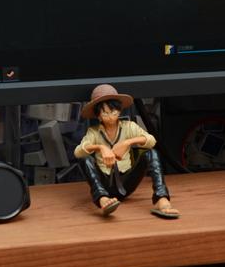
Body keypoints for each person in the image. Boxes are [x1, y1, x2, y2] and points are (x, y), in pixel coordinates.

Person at [75, 83, 179, 219]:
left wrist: (127, 142)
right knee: (85, 159)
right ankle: (102, 199)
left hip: (126, 182)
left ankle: (161, 198)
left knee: (152, 153)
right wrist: (100, 147)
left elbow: (151, 140)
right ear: (98, 116)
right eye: (105, 113)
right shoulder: (93, 132)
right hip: (104, 183)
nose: (110, 116)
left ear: (119, 111)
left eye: (113, 112)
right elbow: (78, 152)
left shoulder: (129, 127)